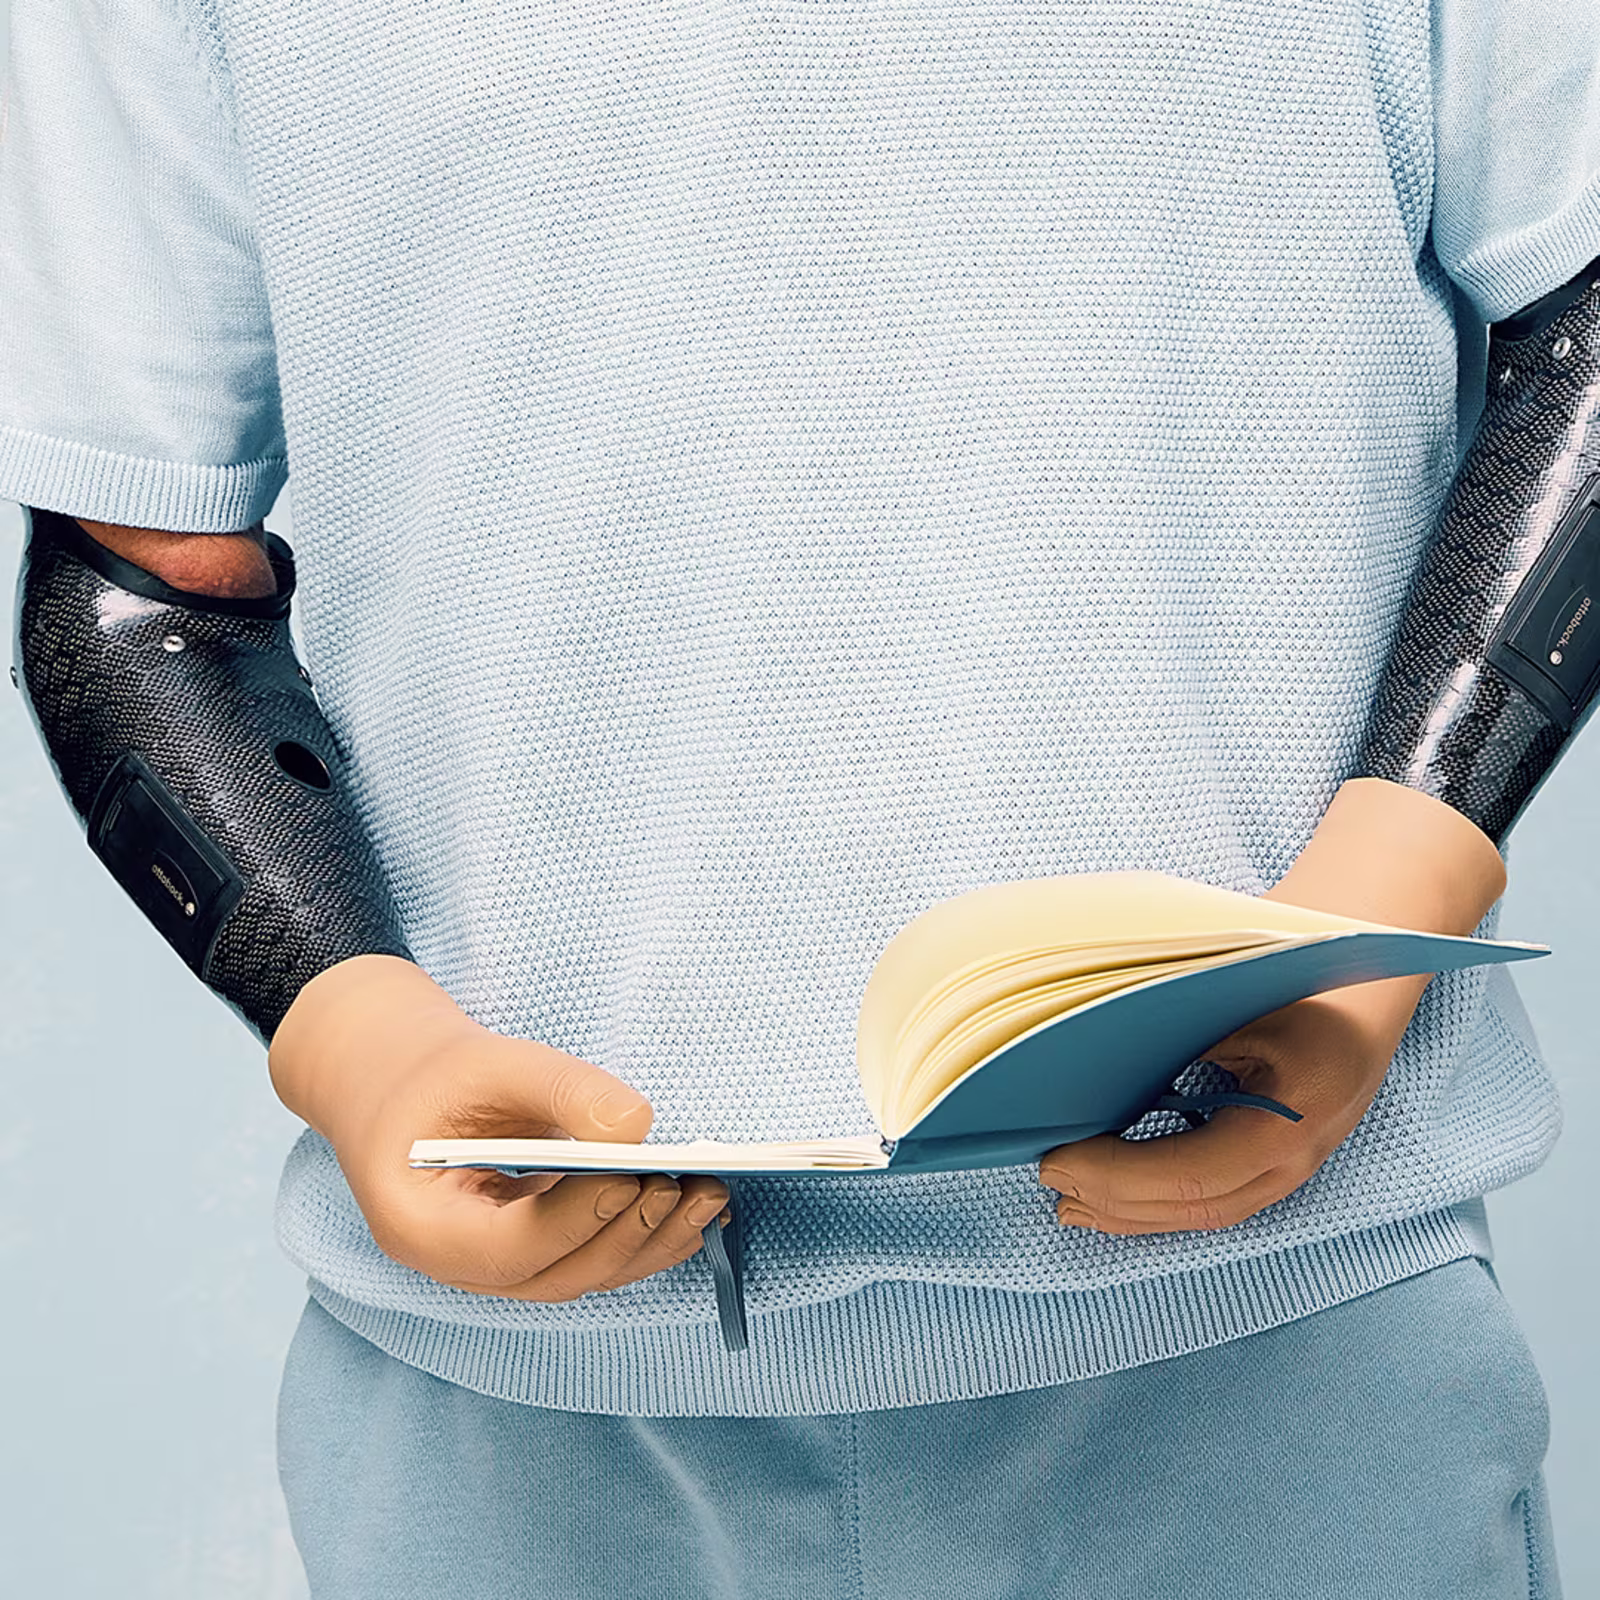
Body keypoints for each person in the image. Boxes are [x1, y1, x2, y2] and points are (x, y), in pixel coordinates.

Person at [2, 1, 1595, 1594]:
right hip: (508, 1419)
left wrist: (1374, 910)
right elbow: (142, 584)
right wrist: (365, 1044)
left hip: (1291, 1363)